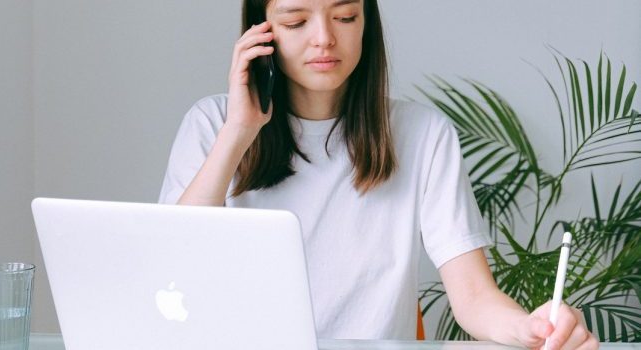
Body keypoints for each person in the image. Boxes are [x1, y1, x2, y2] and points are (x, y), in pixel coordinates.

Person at [158, 0, 598, 349]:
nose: (324, 39)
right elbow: (173, 267)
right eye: (296, 22)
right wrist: (239, 132)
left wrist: (530, 328)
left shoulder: (423, 134)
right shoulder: (212, 124)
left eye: (345, 16)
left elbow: (475, 299)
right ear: (260, 33)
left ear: (366, 21)